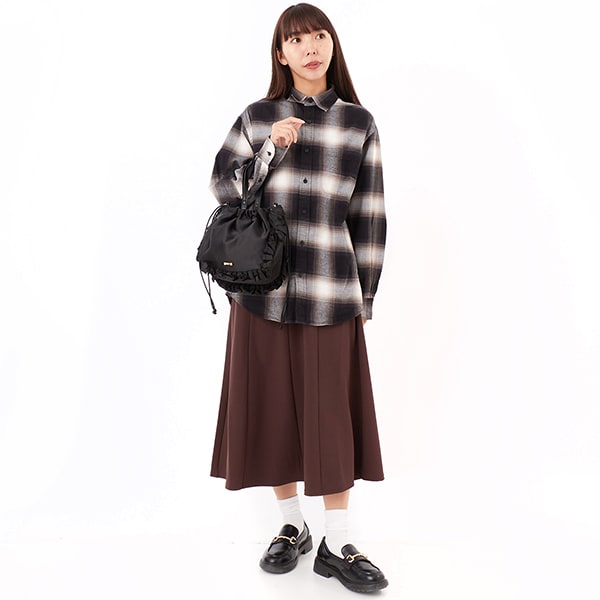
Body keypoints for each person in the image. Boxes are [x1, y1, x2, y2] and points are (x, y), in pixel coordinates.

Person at [208, 3, 388, 593]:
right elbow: (221, 185)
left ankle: (338, 541)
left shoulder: (359, 123)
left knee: (331, 419)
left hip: (332, 293)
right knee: (271, 414)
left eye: (319, 36)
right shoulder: (258, 117)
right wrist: (269, 151)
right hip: (261, 295)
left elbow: (369, 216)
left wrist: (364, 296)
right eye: (296, 40)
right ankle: (292, 526)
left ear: (332, 45)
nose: (310, 48)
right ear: (281, 54)